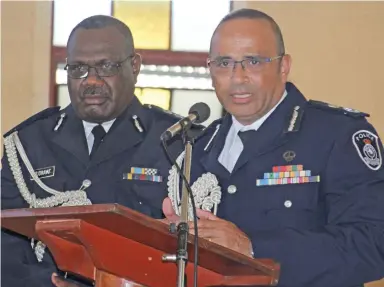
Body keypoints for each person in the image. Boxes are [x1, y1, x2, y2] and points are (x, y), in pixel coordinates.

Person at [163, 8, 384, 287]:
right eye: (223, 63)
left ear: (283, 66)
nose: (237, 77)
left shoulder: (336, 135)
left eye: (253, 61)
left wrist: (254, 248)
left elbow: (373, 244)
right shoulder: (200, 146)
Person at [1, 15, 202, 287]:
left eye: (106, 66)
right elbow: (6, 244)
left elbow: (197, 250)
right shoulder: (28, 144)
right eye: (78, 69)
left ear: (135, 66)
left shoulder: (176, 142)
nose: (91, 80)